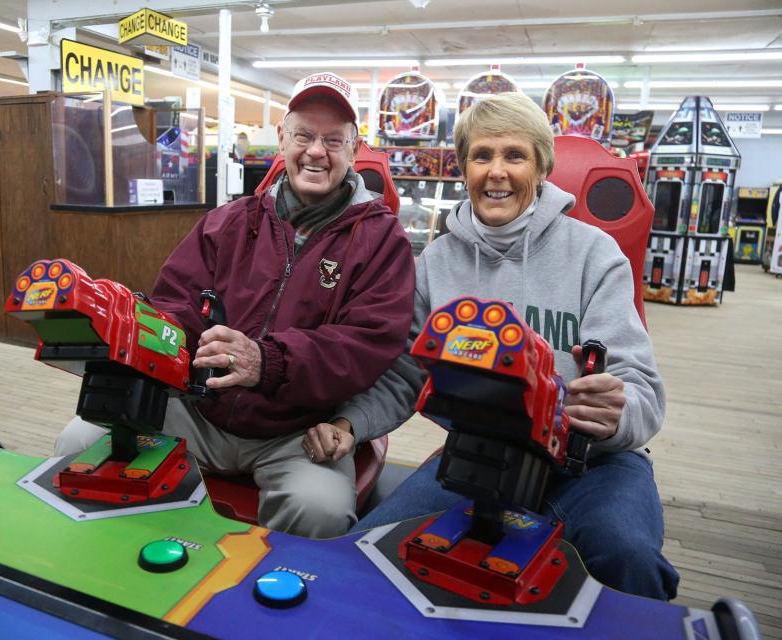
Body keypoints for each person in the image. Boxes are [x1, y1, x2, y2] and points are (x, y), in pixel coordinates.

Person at [329, 92, 679, 600]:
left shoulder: (594, 254)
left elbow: (641, 388)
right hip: (476, 451)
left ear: (541, 168)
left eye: (514, 155)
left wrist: (618, 413)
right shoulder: (437, 262)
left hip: (592, 464)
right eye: (482, 155)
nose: (497, 171)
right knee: (370, 547)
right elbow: (405, 373)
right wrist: (350, 423)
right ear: (464, 167)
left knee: (626, 556)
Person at [56, 72, 415, 538]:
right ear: (282, 138)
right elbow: (177, 305)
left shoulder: (383, 241)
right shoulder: (228, 222)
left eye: (332, 140)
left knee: (320, 509)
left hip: (298, 430)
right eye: (304, 135)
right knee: (78, 441)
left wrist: (268, 361)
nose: (315, 151)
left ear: (354, 148)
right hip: (197, 410)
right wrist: (127, 326)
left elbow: (365, 346)